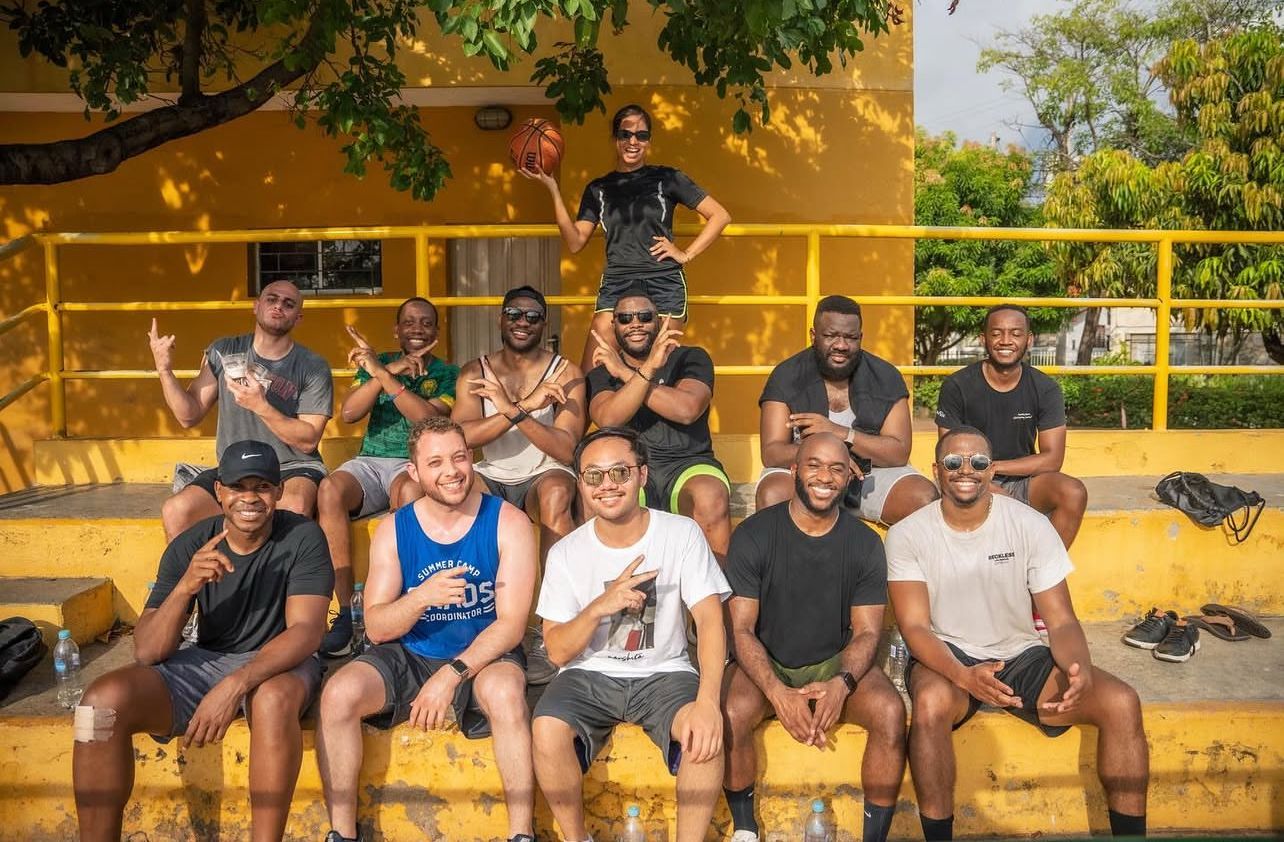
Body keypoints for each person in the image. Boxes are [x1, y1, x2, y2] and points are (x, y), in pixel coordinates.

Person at [885, 426, 1148, 841]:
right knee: (931, 704)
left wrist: (1078, 668)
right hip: (947, 653)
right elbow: (915, 627)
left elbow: (1061, 621)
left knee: (1121, 702)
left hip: (1019, 653)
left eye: (978, 462)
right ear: (936, 470)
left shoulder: (1029, 524)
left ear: (992, 471)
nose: (965, 470)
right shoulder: (907, 534)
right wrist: (963, 676)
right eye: (953, 462)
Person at [73, 440, 333, 842]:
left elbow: (306, 632)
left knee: (271, 699)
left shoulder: (303, 537)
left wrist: (235, 684)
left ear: (279, 492)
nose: (249, 498)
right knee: (99, 704)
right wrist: (185, 588)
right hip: (207, 658)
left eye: (262, 487)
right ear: (219, 492)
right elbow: (148, 650)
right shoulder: (192, 545)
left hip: (282, 659)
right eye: (237, 487)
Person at [315, 417, 538, 842]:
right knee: (338, 693)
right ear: (413, 472)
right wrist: (420, 598)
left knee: (507, 694)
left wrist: (451, 674)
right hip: (412, 652)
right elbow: (376, 626)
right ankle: (341, 833)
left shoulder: (508, 522)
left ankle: (521, 834)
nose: (451, 471)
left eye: (459, 457)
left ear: (471, 459)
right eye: (435, 463)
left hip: (483, 654)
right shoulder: (394, 529)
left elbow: (511, 626)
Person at [531, 427, 730, 842]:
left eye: (619, 472)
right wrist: (600, 606)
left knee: (703, 732)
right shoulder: (566, 552)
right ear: (581, 484)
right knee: (546, 727)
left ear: (642, 475)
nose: (607, 485)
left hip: (665, 673)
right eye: (594, 475)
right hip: (588, 675)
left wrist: (709, 702)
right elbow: (557, 650)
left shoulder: (681, 533)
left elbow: (711, 621)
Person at [723, 433, 906, 842]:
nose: (825, 477)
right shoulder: (753, 535)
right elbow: (741, 630)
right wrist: (776, 691)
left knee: (890, 712)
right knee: (732, 712)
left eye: (837, 469)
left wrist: (842, 684)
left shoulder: (865, 543)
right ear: (794, 471)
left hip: (833, 661)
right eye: (814, 465)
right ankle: (745, 830)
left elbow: (867, 632)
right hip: (768, 660)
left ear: (849, 478)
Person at [521, 103, 731, 373]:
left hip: (663, 281)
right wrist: (553, 188)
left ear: (649, 141)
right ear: (615, 138)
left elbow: (720, 215)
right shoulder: (598, 188)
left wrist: (685, 254)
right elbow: (575, 242)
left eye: (641, 135)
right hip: (617, 282)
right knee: (592, 372)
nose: (633, 141)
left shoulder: (667, 178)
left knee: (659, 369)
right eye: (625, 134)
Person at [452, 285, 586, 682]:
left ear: (544, 323)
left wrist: (510, 411)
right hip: (493, 471)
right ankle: (476, 625)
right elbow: (461, 438)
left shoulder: (566, 373)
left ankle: (553, 626)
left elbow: (564, 448)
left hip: (545, 471)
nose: (522, 321)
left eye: (532, 316)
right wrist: (525, 407)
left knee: (557, 494)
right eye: (514, 313)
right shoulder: (475, 372)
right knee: (460, 493)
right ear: (501, 319)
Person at [316, 296, 458, 656]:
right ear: (397, 330)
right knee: (329, 489)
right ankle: (345, 612)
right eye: (409, 322)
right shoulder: (381, 362)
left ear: (437, 330)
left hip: (412, 464)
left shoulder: (448, 374)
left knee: (409, 494)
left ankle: (396, 608)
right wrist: (388, 369)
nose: (417, 329)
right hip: (369, 461)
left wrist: (381, 372)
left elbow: (427, 420)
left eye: (426, 322)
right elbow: (349, 413)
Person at [149, 280, 333, 541]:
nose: (278, 306)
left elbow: (308, 440)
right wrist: (164, 370)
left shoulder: (313, 366)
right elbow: (188, 415)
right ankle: (196, 571)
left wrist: (260, 406)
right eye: (271, 299)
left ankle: (278, 569)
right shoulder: (223, 351)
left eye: (288, 304)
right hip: (235, 466)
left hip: (292, 467)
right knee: (177, 510)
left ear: (298, 318)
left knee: (293, 505)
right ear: (256, 306)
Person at [757, 294, 938, 526]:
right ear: (814, 336)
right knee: (772, 494)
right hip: (808, 471)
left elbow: (898, 452)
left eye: (850, 337)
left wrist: (840, 433)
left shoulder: (885, 376)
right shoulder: (787, 375)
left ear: (860, 337)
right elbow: (772, 453)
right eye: (831, 336)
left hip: (868, 474)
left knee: (923, 497)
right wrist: (831, 459)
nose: (841, 345)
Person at [586, 287, 732, 561]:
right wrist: (643, 371)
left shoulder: (690, 357)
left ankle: (716, 588)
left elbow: (687, 410)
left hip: (688, 462)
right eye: (625, 318)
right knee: (593, 497)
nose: (635, 324)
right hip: (627, 467)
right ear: (613, 325)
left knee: (709, 496)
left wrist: (626, 373)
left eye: (644, 316)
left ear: (660, 320)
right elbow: (608, 419)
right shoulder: (602, 372)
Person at [935, 304, 1087, 548]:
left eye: (1016, 333)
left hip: (1022, 480)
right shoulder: (958, 386)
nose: (1005, 341)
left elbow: (1052, 459)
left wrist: (995, 467)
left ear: (1029, 340)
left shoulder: (1045, 388)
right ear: (983, 339)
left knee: (1073, 492)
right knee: (988, 500)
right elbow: (949, 457)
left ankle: (1045, 566)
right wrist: (986, 479)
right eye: (996, 333)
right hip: (969, 477)